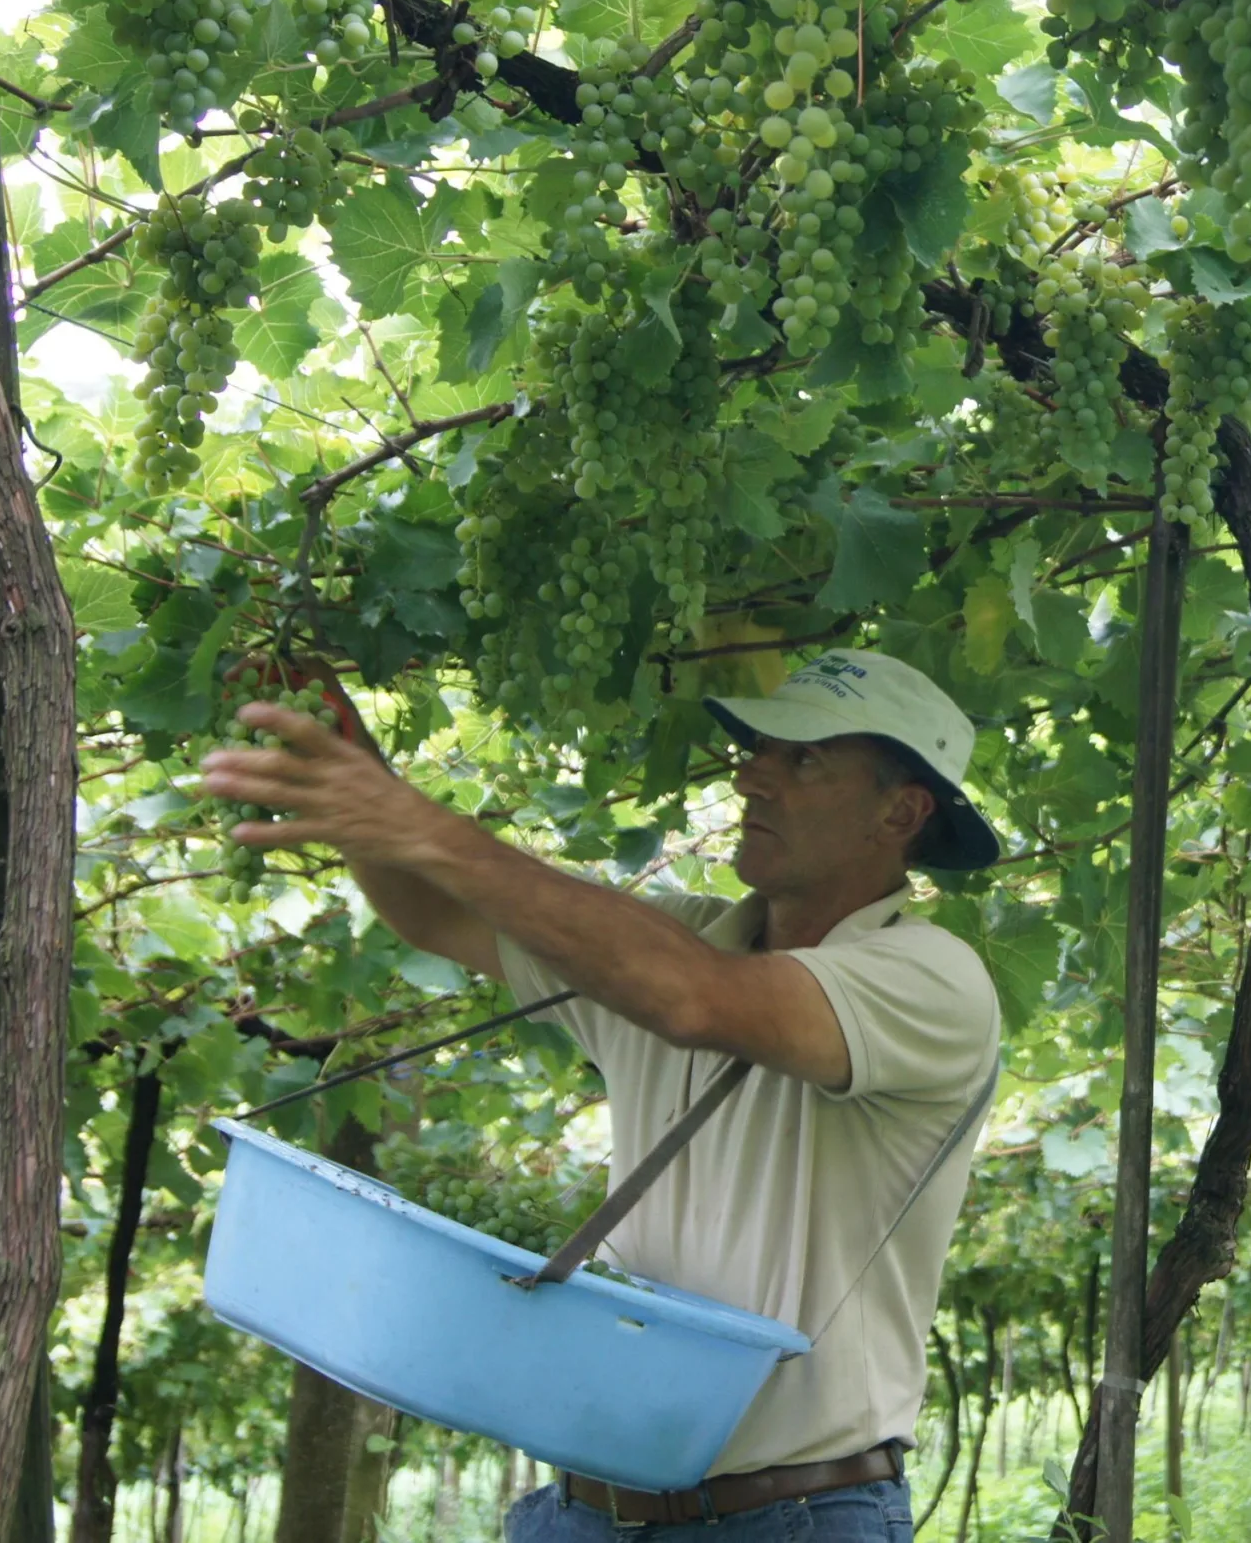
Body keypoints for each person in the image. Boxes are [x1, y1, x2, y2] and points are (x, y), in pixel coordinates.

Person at [201, 648, 1006, 1541]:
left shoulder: (931, 978)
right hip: (583, 1512)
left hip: (793, 1515)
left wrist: (418, 820)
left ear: (901, 810)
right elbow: (436, 913)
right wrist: (351, 770)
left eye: (802, 757)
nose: (751, 776)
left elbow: (693, 999)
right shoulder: (684, 937)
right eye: (757, 749)